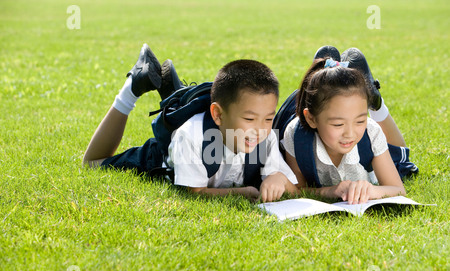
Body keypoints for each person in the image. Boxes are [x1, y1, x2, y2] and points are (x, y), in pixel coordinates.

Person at [83, 43, 298, 203]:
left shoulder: (266, 137)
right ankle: (133, 85)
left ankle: (177, 95)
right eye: (249, 119)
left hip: (206, 126)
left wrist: (280, 178)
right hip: (160, 157)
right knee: (93, 164)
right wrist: (243, 192)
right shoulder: (192, 136)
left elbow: (295, 189)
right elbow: (194, 193)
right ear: (218, 115)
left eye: (269, 118)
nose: (260, 129)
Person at [282, 46, 417, 205]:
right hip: (306, 116)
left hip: (373, 155)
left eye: (360, 121)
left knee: (399, 158)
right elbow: (297, 189)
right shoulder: (295, 135)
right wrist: (330, 191)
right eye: (338, 124)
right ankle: (321, 76)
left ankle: (376, 103)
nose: (350, 133)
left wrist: (372, 190)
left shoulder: (370, 132)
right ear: (311, 119)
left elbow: (398, 189)